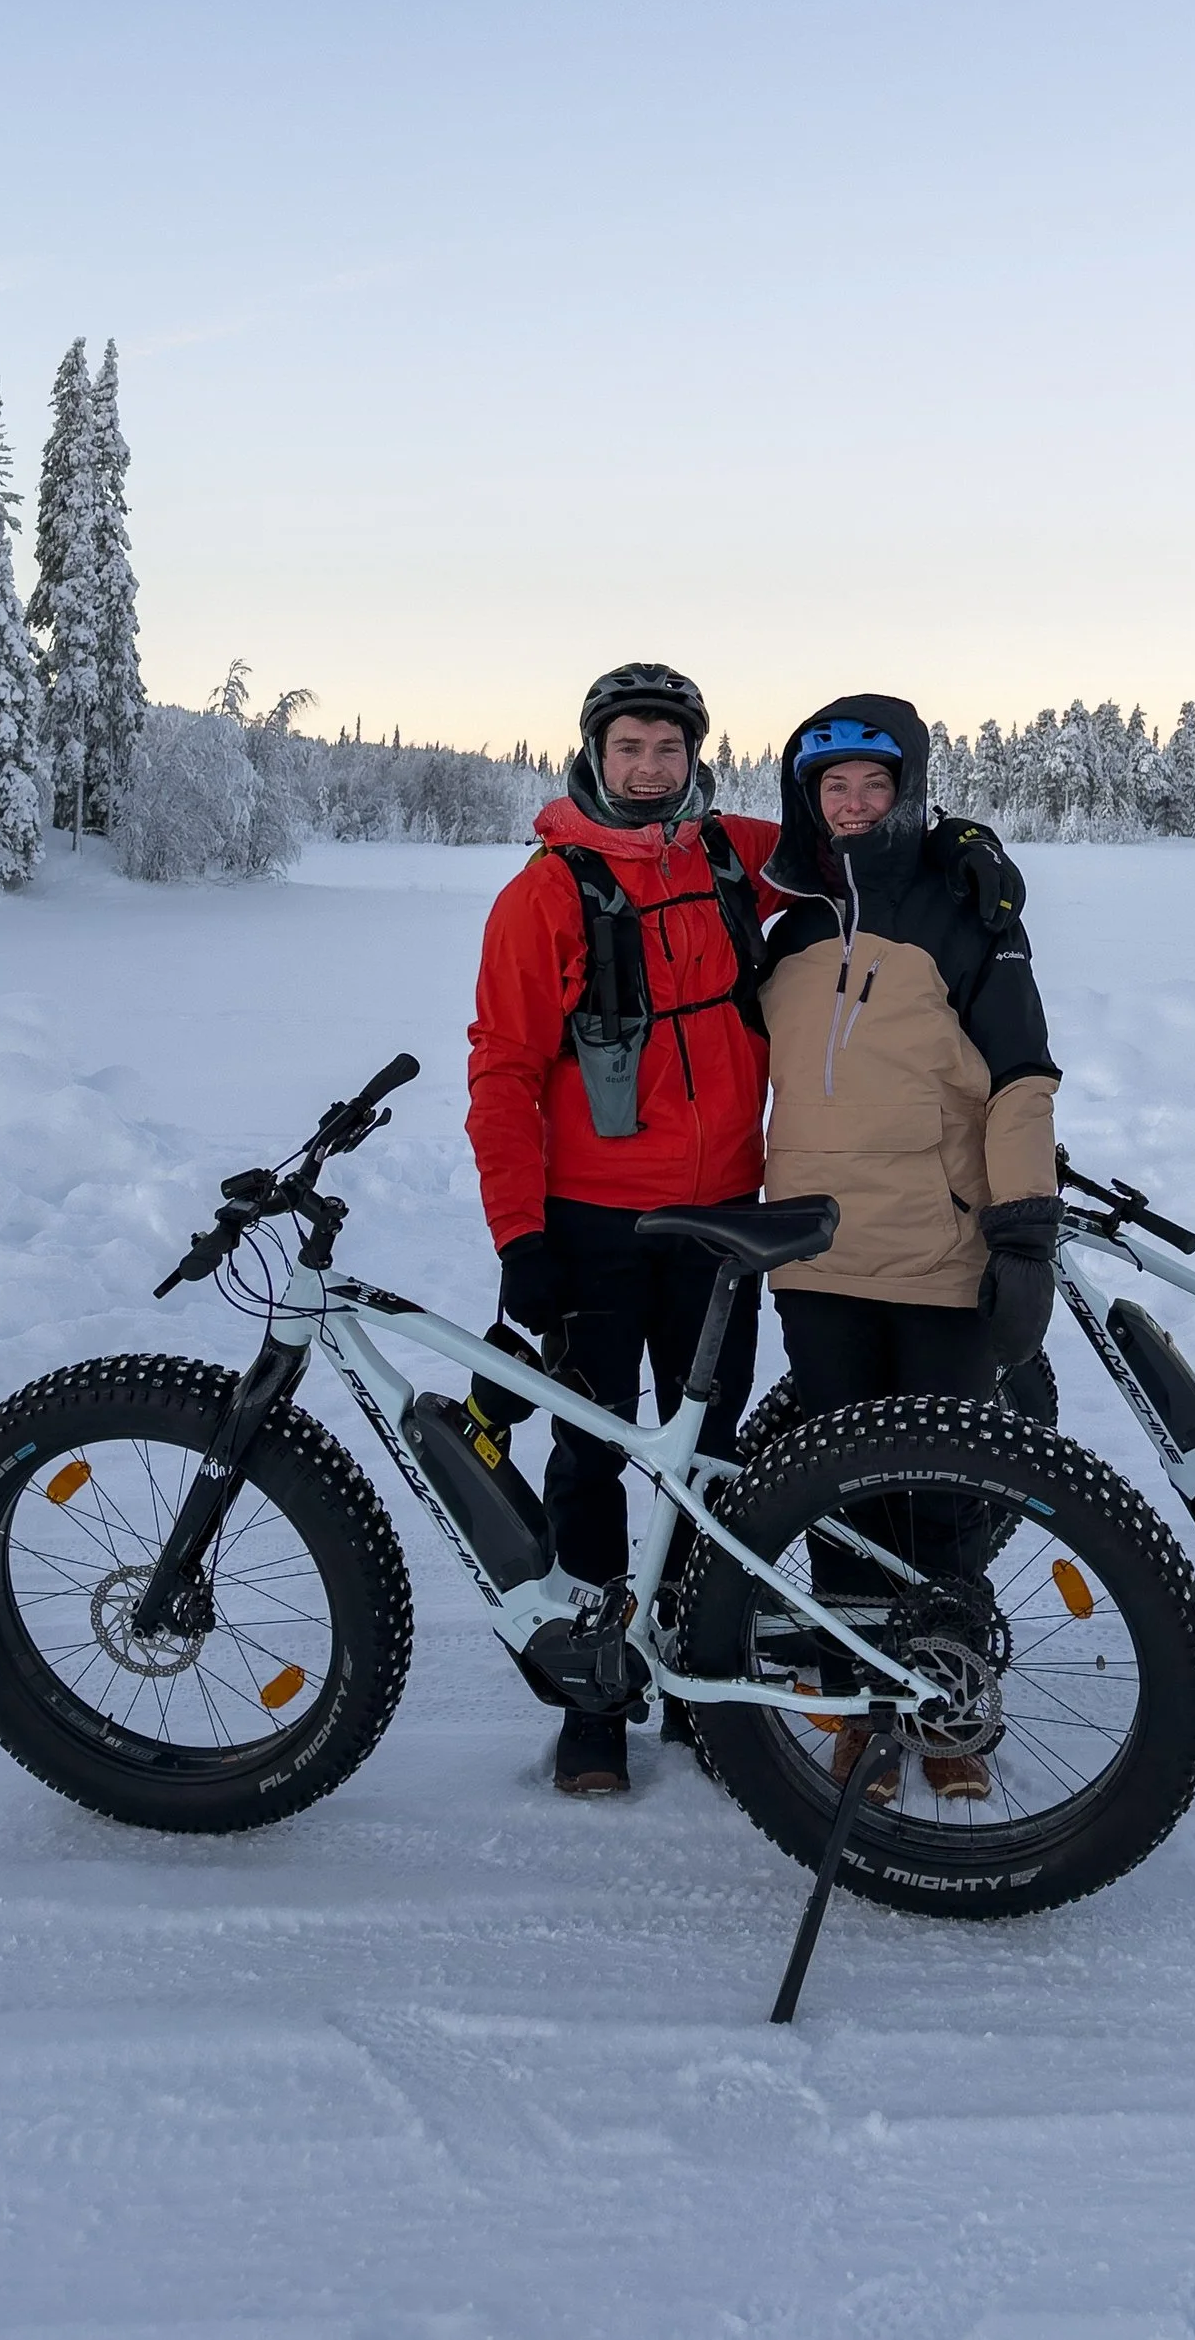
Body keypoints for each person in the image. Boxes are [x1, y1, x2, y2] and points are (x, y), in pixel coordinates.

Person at [465, 664, 785, 1797]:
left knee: (706, 1458)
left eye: (667, 749)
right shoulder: (543, 895)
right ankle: (594, 1696)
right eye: (628, 748)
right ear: (593, 754)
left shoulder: (729, 854)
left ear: (695, 756)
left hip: (725, 1219)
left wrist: (949, 849)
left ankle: (699, 1673)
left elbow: (845, 835)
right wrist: (520, 1235)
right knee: (590, 1453)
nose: (648, 769)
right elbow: (502, 1072)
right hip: (597, 1220)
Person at [757, 692, 1061, 1806]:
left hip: (939, 1253)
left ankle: (952, 1706)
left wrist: (1024, 1230)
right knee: (841, 1501)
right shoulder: (784, 925)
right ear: (807, 799)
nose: (850, 804)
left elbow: (1021, 1078)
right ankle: (855, 1709)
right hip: (814, 1257)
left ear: (908, 789)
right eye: (829, 787)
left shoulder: (967, 914)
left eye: (873, 784)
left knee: (944, 1497)